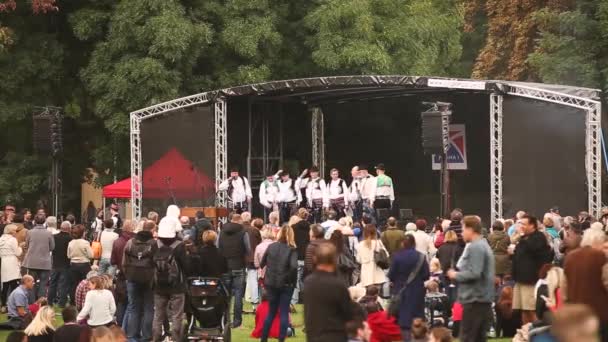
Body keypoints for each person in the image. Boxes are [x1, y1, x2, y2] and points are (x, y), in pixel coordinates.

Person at [446, 215, 495, 342]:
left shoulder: (476, 246)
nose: (461, 233)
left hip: (475, 300)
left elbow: (474, 273)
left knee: (469, 338)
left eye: (463, 229)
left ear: (471, 229)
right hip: (481, 299)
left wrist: (455, 275)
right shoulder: (483, 245)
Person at [563, 227, 608, 340]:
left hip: (576, 310)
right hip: (599, 312)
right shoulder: (601, 257)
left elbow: (564, 285)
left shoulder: (570, 257)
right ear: (598, 241)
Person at [304, 242, 354, 342]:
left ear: (315, 259)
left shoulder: (309, 282)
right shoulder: (338, 284)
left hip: (314, 335)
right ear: (334, 259)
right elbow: (348, 313)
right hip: (335, 335)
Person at [151, 218, 189, 342]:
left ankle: (156, 338)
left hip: (159, 286)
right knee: (177, 316)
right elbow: (185, 265)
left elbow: (151, 264)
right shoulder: (180, 246)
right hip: (177, 286)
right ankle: (176, 339)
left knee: (158, 316)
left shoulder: (154, 244)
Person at [510, 214, 552, 325]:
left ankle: (537, 334)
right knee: (523, 310)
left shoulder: (538, 237)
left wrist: (520, 237)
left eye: (523, 224)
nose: (520, 226)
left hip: (531, 280)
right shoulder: (523, 239)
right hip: (520, 279)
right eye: (519, 223)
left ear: (532, 225)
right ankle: (526, 335)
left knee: (531, 310)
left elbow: (532, 249)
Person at [259, 224, 298, 342]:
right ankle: (281, 339)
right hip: (286, 284)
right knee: (284, 312)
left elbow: (262, 263)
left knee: (271, 312)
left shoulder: (271, 247)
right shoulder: (292, 249)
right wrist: (289, 280)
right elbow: (293, 267)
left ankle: (263, 339)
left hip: (271, 283)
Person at [388, 234, 429, 341]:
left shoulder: (397, 256)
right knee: (417, 318)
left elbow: (391, 275)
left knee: (404, 320)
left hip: (401, 291)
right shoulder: (421, 256)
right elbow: (426, 275)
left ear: (403, 244)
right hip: (417, 291)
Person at [122, 220, 156, 341]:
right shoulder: (154, 243)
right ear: (152, 230)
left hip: (132, 278)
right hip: (149, 279)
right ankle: (146, 336)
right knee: (148, 308)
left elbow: (124, 262)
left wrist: (128, 276)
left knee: (133, 307)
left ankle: (132, 336)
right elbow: (156, 262)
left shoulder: (130, 242)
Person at [218, 213, 251, 328]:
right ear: (240, 221)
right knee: (238, 294)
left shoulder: (221, 232)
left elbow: (218, 246)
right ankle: (237, 321)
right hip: (239, 266)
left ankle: (225, 320)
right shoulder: (243, 232)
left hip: (225, 266)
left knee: (225, 295)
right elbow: (248, 248)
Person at [22, 213, 54, 299]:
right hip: (45, 262)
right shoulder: (48, 233)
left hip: (32, 261)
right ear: (44, 221)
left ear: (35, 221)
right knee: (43, 284)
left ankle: (32, 302)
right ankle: (41, 303)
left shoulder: (30, 232)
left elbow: (27, 245)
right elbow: (52, 247)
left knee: (31, 283)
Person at [110, 219, 134, 326]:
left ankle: (120, 324)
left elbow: (113, 261)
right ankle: (128, 325)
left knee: (121, 300)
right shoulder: (134, 242)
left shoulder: (117, 242)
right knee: (132, 302)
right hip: (133, 275)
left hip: (121, 274)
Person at [67, 224, 93, 306]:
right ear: (82, 233)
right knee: (86, 284)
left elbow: (69, 255)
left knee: (73, 284)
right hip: (84, 265)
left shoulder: (70, 243)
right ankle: (85, 300)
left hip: (74, 265)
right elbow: (91, 255)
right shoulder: (85, 243)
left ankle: (73, 301)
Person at [48, 220, 71, 307]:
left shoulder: (54, 237)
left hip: (55, 263)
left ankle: (49, 301)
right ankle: (61, 303)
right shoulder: (70, 238)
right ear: (69, 228)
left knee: (52, 283)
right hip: (65, 264)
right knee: (63, 284)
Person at [0, 224, 23, 311]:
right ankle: (14, 305)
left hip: (4, 262)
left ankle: (3, 305)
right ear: (11, 231)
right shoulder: (13, 240)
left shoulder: (1, 239)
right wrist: (20, 247)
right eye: (15, 231)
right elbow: (17, 253)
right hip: (12, 262)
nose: (16, 232)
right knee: (14, 285)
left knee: (5, 286)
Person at [244, 214, 262, 311]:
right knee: (254, 280)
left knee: (252, 280)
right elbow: (259, 243)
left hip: (245, 258)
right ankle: (255, 301)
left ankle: (254, 301)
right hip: (253, 258)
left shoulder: (242, 229)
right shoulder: (254, 230)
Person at [292, 209, 310, 300]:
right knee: (303, 278)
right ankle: (303, 297)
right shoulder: (310, 228)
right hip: (306, 255)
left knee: (296, 278)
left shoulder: (293, 227)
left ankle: (295, 298)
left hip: (297, 254)